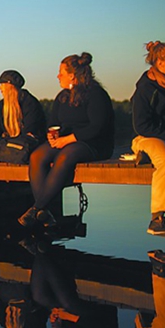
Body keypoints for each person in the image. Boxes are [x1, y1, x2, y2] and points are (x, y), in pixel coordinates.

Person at [20, 53, 115, 228]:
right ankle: (44, 211)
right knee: (37, 156)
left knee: (65, 155)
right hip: (66, 140)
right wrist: (53, 135)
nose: (58, 76)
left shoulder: (95, 93)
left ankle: (37, 208)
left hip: (93, 143)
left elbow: (97, 126)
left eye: (60, 72)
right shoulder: (62, 96)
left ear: (72, 75)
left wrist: (68, 139)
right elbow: (54, 123)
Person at [131, 41, 165, 235]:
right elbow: (141, 125)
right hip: (146, 136)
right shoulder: (145, 88)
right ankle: (158, 217)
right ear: (159, 63)